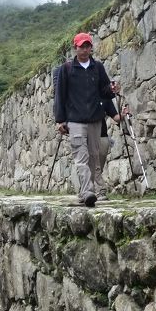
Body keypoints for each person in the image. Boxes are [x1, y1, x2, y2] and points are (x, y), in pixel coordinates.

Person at [54, 32, 118, 207]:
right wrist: (60, 120)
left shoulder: (97, 67)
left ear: (91, 48)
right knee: (80, 157)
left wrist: (112, 89)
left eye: (87, 45)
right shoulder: (66, 69)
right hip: (75, 120)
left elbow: (105, 91)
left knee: (92, 157)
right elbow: (60, 95)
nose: (84, 49)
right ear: (75, 48)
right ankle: (88, 192)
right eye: (81, 46)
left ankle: (85, 193)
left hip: (95, 120)